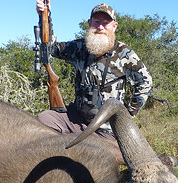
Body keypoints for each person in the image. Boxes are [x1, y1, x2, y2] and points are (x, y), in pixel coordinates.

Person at [36, 1, 153, 140]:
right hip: (76, 118)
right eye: (97, 22)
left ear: (114, 27)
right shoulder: (80, 46)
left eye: (106, 23)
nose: (100, 27)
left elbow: (146, 82)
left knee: (89, 154)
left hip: (105, 128)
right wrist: (45, 16)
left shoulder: (124, 53)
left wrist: (127, 115)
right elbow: (52, 48)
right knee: (43, 120)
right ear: (89, 23)